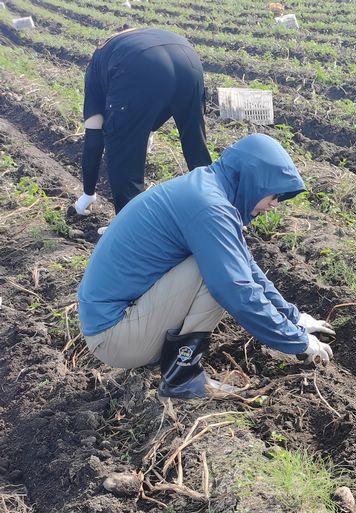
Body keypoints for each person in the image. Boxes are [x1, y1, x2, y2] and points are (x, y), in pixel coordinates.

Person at [77, 133, 334, 399]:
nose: (274, 203)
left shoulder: (206, 190)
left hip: (114, 323)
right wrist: (296, 341)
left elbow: (245, 265)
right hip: (114, 336)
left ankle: (177, 366)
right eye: (274, 193)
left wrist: (294, 319)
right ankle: (181, 377)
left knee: (224, 265)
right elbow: (237, 287)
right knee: (215, 274)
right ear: (253, 180)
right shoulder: (209, 208)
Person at [73, 28, 213, 216]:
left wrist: (88, 193)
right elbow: (158, 100)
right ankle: (215, 208)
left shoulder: (95, 69)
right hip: (188, 57)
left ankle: (131, 224)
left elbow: (93, 141)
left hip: (139, 66)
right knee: (196, 145)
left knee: (122, 154)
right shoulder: (133, 39)